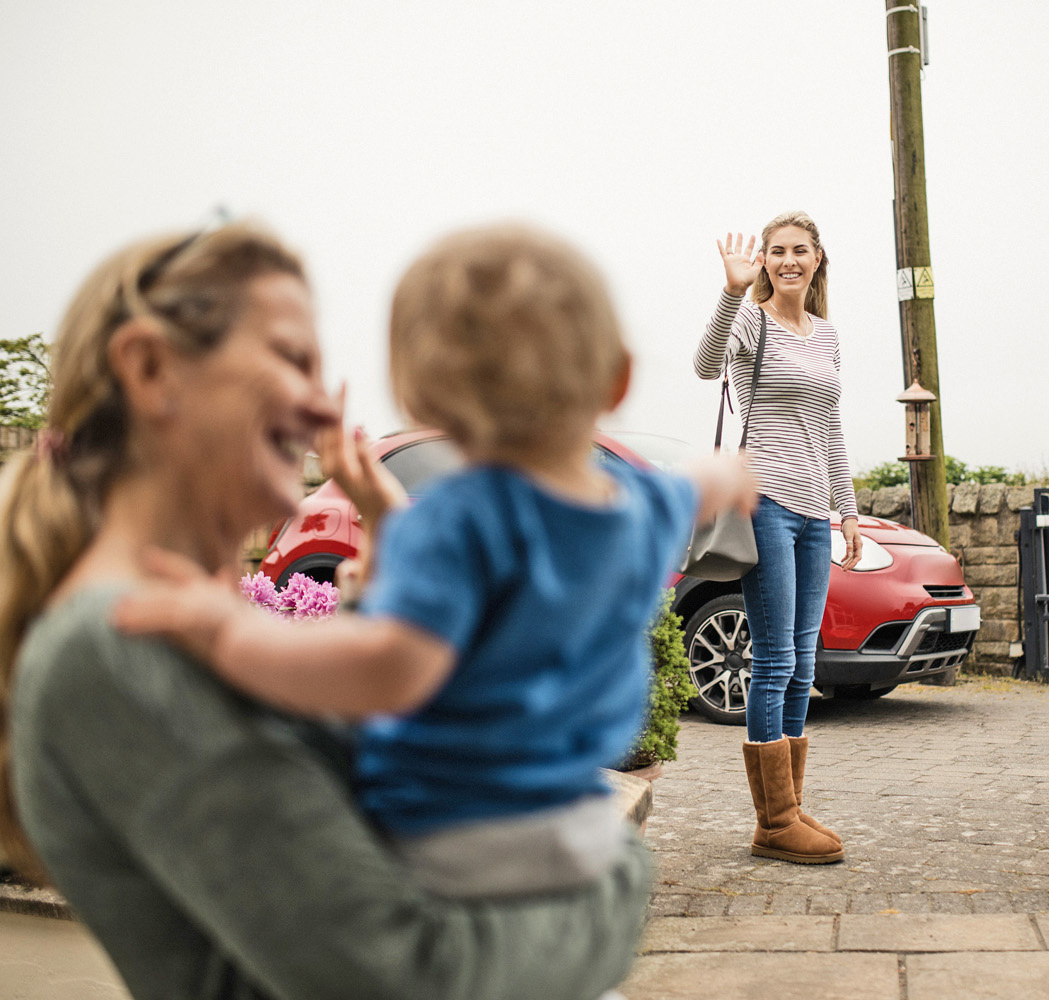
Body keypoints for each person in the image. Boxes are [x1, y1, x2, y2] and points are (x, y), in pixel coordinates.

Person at [0, 222, 656, 1000]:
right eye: (292, 360)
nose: (322, 407)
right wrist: (619, 880)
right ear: (148, 367)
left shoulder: (171, 625)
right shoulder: (111, 647)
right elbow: (406, 976)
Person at [113, 223, 757, 903]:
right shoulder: (641, 505)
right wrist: (728, 474)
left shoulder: (452, 521)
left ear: (414, 395)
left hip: (451, 833)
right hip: (576, 829)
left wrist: (228, 633)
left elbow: (389, 667)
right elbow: (699, 485)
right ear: (618, 379)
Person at [692, 210, 862, 866]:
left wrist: (846, 510)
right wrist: (733, 290)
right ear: (765, 260)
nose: (788, 260)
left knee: (803, 663)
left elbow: (833, 427)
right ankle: (774, 821)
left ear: (818, 259)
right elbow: (707, 367)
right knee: (775, 662)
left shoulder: (827, 336)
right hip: (764, 502)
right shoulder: (751, 320)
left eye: (800, 250)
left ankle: (787, 805)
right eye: (776, 251)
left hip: (814, 515)